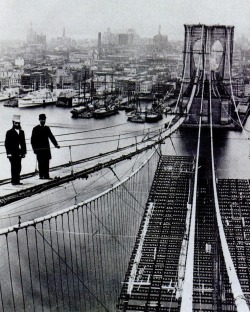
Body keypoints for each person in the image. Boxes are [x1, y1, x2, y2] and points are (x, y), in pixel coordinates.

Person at [31, 114, 60, 179]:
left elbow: (51, 137)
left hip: (46, 149)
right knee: (40, 162)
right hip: (39, 149)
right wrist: (34, 149)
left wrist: (56, 144)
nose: (43, 121)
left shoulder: (47, 128)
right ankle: (41, 176)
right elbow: (32, 140)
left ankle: (46, 176)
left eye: (44, 120)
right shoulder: (35, 129)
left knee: (46, 162)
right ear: (39, 120)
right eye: (42, 119)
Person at [5, 115, 27, 185]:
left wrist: (24, 152)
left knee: (19, 166)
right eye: (16, 123)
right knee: (14, 166)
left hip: (19, 152)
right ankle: (14, 181)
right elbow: (6, 144)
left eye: (18, 123)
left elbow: (23, 143)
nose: (17, 124)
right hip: (12, 153)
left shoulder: (22, 132)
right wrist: (8, 153)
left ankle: (17, 180)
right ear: (13, 123)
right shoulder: (9, 132)